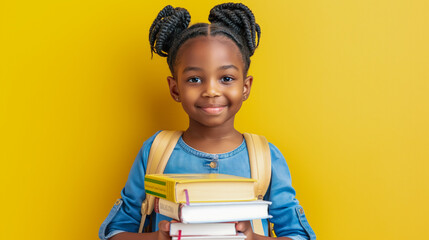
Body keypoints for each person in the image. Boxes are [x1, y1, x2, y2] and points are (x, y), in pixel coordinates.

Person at [99, 3, 316, 240]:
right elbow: (115, 232)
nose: (211, 90)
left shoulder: (266, 157)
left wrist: (253, 238)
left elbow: (298, 235)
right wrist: (158, 237)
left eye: (226, 78)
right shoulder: (156, 150)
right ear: (175, 89)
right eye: (194, 79)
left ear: (245, 87)